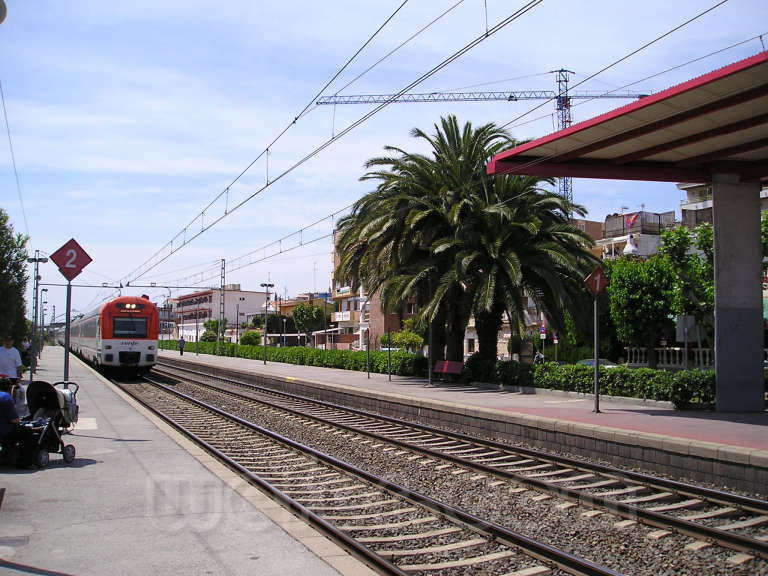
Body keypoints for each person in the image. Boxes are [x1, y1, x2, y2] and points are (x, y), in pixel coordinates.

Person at [0, 377, 33, 467]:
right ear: (10, 388)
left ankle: (6, 455)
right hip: (4, 429)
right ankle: (24, 462)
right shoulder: (6, 398)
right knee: (27, 432)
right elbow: (14, 420)